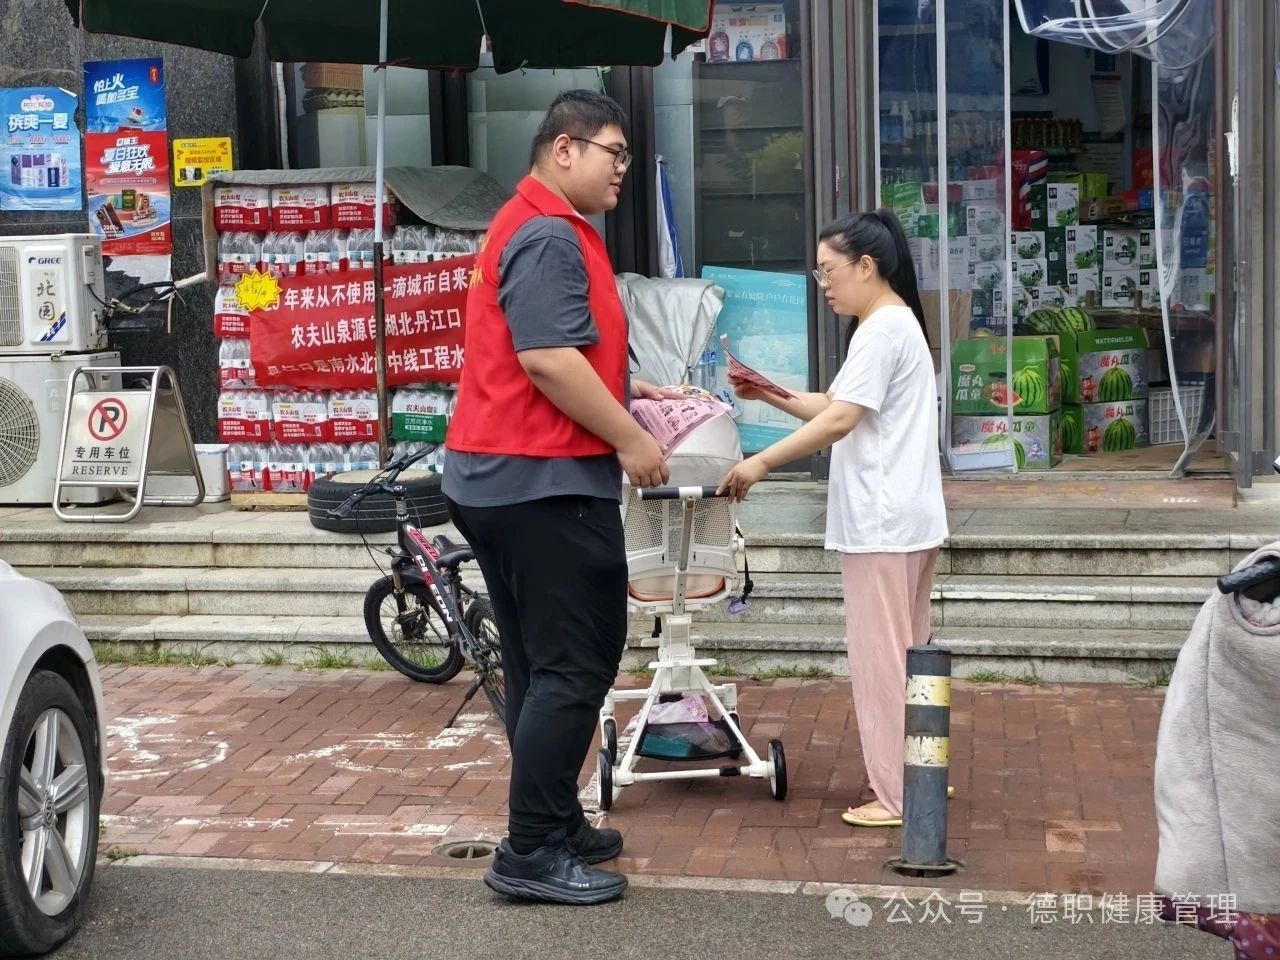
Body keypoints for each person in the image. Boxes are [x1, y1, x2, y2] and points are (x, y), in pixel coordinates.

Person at [443, 89, 683, 905]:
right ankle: (532, 849)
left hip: (502, 475)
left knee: (540, 665)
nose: (623, 170)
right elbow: (546, 358)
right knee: (577, 662)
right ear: (565, 149)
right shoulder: (549, 233)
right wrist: (630, 438)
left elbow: (548, 346)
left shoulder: (530, 221)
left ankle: (553, 820)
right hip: (541, 480)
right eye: (614, 153)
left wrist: (627, 386)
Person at [718, 209, 948, 828]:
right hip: (908, 519)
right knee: (912, 658)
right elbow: (839, 405)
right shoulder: (895, 322)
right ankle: (921, 778)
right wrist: (769, 391)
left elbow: (841, 419)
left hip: (881, 522)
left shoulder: (880, 330)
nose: (823, 285)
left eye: (828, 271)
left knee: (882, 664)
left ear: (865, 266)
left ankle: (896, 796)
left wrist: (761, 462)